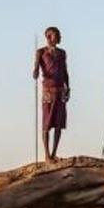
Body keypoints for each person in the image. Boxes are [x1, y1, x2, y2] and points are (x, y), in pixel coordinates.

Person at [33, 26, 69, 162]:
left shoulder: (62, 53)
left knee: (59, 124)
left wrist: (68, 86)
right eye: (57, 35)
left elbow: (65, 71)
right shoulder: (41, 52)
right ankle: (47, 155)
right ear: (49, 37)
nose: (60, 37)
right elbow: (36, 69)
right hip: (48, 91)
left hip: (60, 90)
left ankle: (54, 153)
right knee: (46, 123)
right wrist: (36, 71)